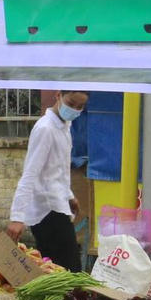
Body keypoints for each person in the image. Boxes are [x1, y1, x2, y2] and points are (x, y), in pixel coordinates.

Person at [7, 90, 90, 271]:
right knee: (70, 271)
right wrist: (17, 217)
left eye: (80, 106)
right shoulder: (45, 129)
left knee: (57, 271)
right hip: (47, 210)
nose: (75, 110)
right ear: (58, 96)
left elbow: (58, 170)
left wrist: (69, 195)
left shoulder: (64, 127)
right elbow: (30, 173)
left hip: (58, 205)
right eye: (71, 103)